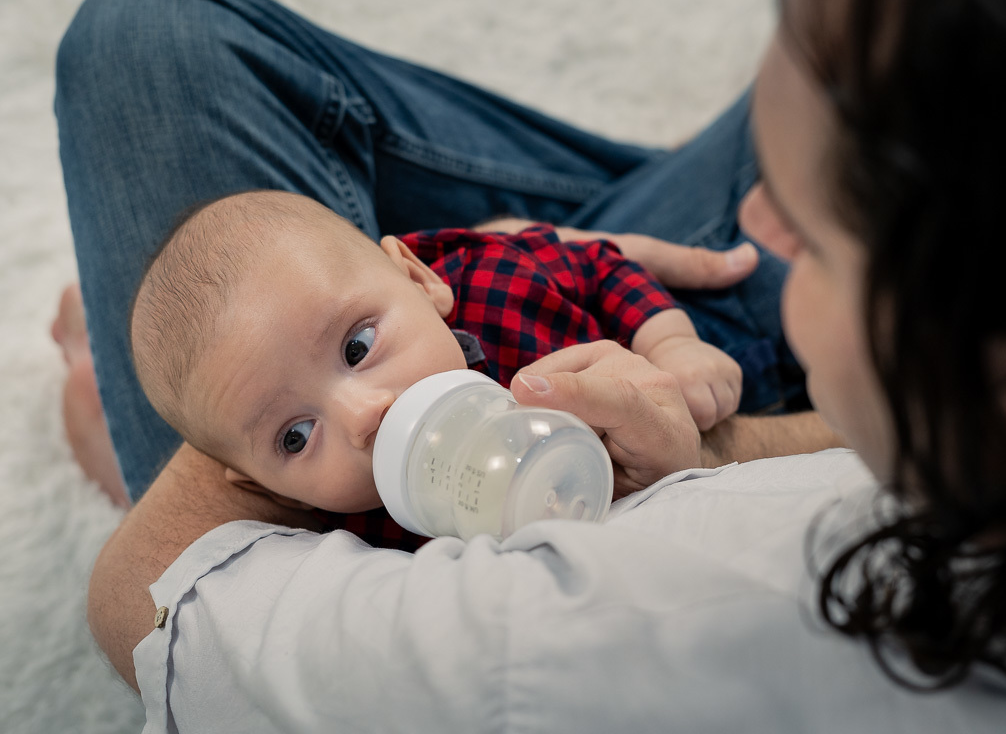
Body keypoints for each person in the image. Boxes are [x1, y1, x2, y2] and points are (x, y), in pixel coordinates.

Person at [69, 0, 1006, 730]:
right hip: (565, 314)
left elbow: (154, 599)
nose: (763, 217)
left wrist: (212, 427)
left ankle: (146, 415)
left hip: (693, 397)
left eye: (813, 235)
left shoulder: (599, 625)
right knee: (157, 42)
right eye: (297, 431)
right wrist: (513, 265)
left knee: (144, 51)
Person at [128, 188, 749, 546]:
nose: (365, 417)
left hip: (695, 345)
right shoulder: (352, 543)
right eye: (295, 436)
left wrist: (673, 343)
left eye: (357, 348)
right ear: (267, 490)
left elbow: (600, 267)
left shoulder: (500, 282)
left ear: (421, 281)